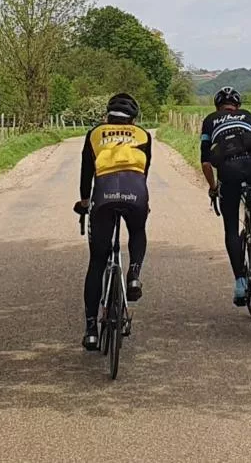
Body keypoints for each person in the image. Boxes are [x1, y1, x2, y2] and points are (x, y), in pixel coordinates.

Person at [73, 93, 152, 351]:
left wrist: (85, 202)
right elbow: (143, 171)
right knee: (137, 230)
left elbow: (87, 172)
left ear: (107, 115)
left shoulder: (95, 134)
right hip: (135, 192)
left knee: (97, 261)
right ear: (132, 118)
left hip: (103, 195)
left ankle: (91, 329)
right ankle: (133, 276)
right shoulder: (143, 135)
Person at [199, 86, 251, 306]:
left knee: (231, 228)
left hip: (229, 172)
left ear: (217, 106)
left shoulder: (210, 120)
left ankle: (240, 283)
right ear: (237, 105)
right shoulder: (249, 117)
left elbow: (206, 162)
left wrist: (213, 186)